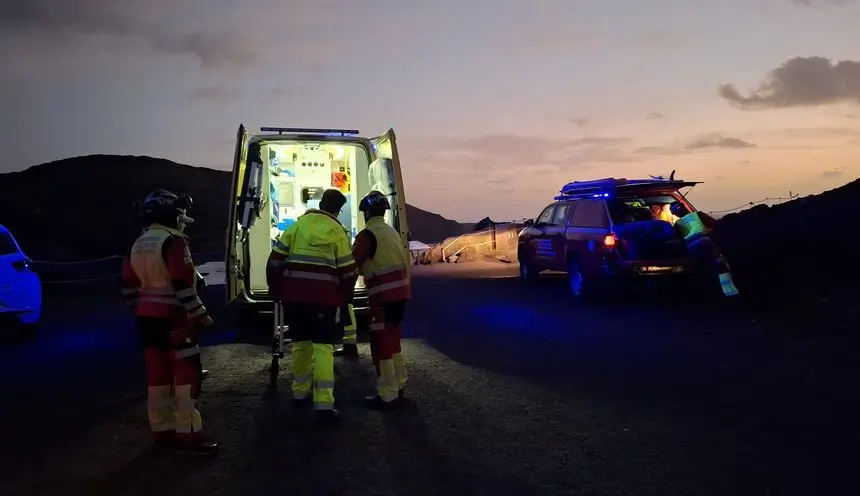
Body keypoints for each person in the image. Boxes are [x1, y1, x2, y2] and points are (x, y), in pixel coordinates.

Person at [120, 189, 219, 455]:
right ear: (173, 216)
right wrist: (201, 315)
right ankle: (189, 437)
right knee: (187, 375)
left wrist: (140, 311)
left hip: (147, 321)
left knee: (158, 376)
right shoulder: (174, 242)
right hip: (175, 319)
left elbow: (128, 285)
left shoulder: (138, 243)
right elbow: (182, 285)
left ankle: (162, 432)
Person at [266, 188, 358, 425]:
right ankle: (324, 405)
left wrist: (276, 289)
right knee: (323, 348)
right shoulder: (337, 232)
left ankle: (300, 392)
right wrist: (346, 296)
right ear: (338, 210)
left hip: (296, 299)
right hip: (325, 300)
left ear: (320, 204)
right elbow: (349, 271)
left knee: (301, 344)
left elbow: (274, 261)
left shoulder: (297, 227)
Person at [352, 191, 411, 410]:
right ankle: (399, 383)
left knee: (381, 345)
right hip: (401, 295)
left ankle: (387, 394)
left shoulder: (367, 235)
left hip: (382, 298)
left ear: (366, 213)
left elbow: (353, 263)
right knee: (394, 341)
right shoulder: (391, 232)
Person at [669, 201, 740, 297]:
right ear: (684, 206)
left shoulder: (677, 225)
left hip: (690, 248)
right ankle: (730, 292)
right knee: (721, 263)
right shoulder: (698, 215)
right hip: (706, 242)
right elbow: (716, 225)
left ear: (674, 214)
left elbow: (677, 238)